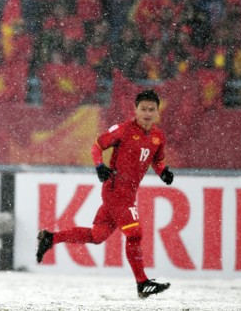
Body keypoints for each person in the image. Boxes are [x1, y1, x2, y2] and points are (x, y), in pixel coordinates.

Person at [36, 89, 174, 299]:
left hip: (128, 193)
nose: (147, 113)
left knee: (97, 236)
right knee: (135, 234)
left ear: (157, 112)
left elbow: (157, 159)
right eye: (143, 109)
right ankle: (142, 283)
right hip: (116, 191)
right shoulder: (123, 130)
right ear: (135, 110)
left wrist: (163, 171)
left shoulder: (158, 136)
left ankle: (51, 238)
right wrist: (99, 166)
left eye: (151, 109)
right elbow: (97, 146)